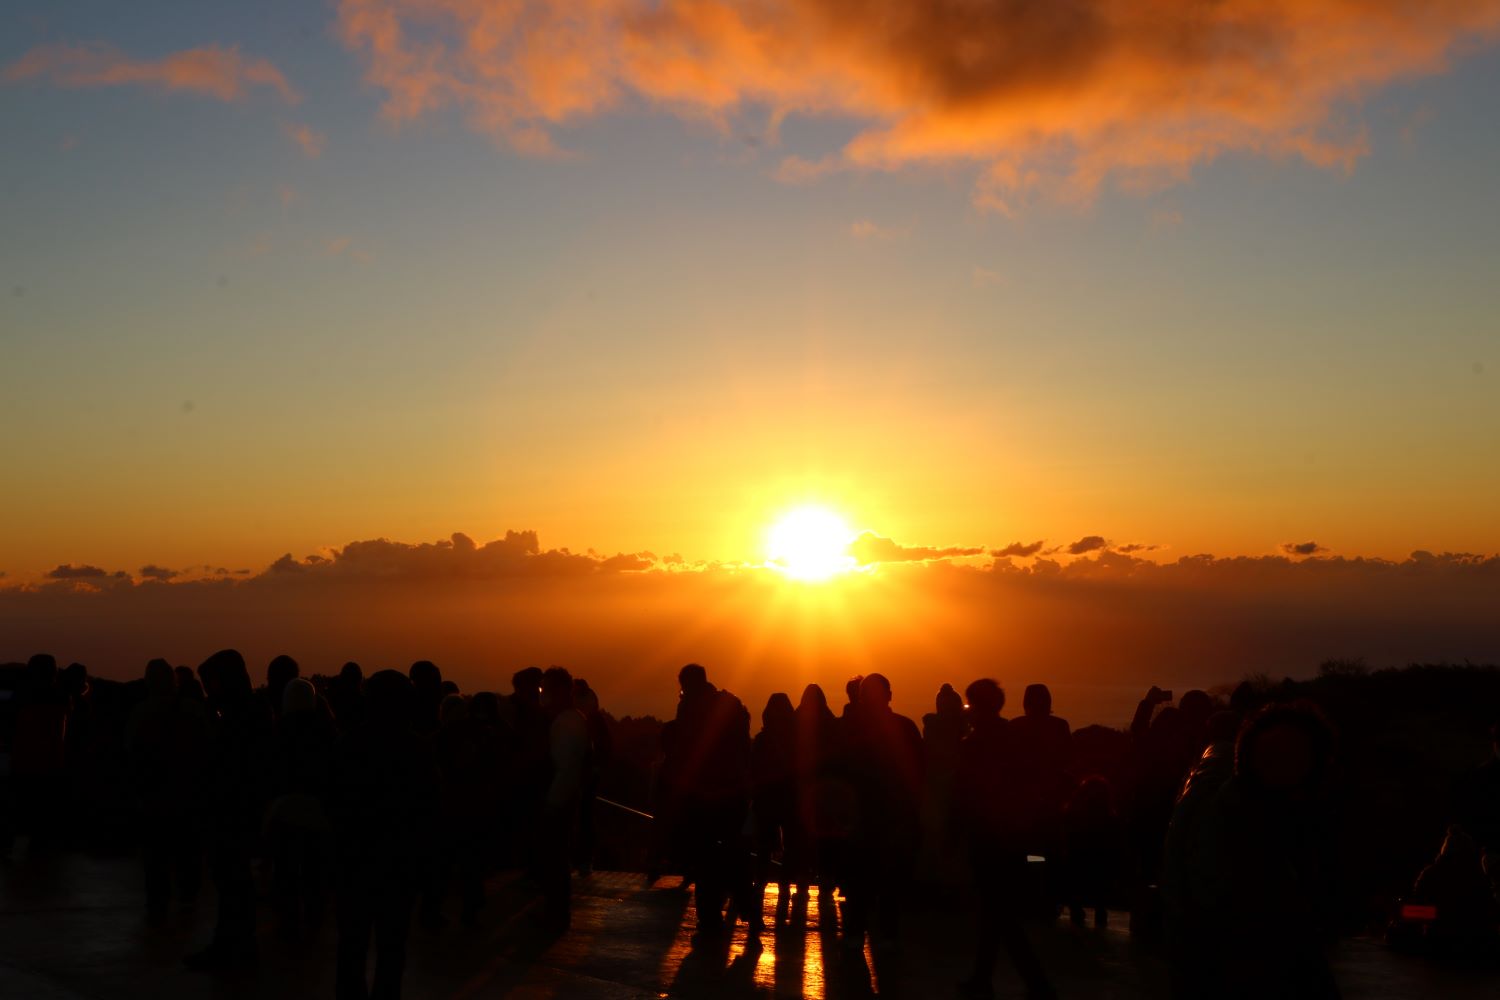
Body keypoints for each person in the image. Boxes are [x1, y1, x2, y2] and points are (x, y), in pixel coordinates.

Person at [1175, 701, 1340, 999]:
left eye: (1294, 755)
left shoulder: (1277, 820)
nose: (1283, 764)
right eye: (1276, 755)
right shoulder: (1241, 829)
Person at [331, 670, 437, 1000]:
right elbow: (430, 811)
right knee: (392, 951)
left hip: (355, 863)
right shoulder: (419, 749)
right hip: (399, 866)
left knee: (352, 947)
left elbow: (334, 803)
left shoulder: (349, 743)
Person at [956, 678, 1055, 999]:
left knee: (998, 912)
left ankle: (1035, 983)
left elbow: (966, 796)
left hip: (989, 840)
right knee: (995, 911)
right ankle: (984, 979)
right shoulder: (1015, 738)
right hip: (1013, 838)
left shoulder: (973, 745)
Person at [186, 649, 274, 971]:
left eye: (211, 682)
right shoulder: (247, 711)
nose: (208, 689)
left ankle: (232, 948)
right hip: (234, 810)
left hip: (234, 811)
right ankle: (236, 947)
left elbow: (229, 765)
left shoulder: (240, 717)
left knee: (232, 882)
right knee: (232, 883)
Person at [840, 672, 924, 951]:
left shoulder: (850, 729)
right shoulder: (905, 727)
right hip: (889, 814)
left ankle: (856, 933)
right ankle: (885, 934)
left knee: (860, 879)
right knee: (886, 879)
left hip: (867, 815)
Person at [667, 664, 751, 940]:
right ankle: (747, 905)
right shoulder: (731, 704)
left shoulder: (690, 708)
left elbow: (683, 750)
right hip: (732, 792)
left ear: (686, 684)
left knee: (704, 858)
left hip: (702, 793)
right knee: (732, 851)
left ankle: (709, 919)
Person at [126, 659, 211, 921]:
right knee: (187, 849)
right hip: (188, 790)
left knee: (155, 855)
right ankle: (188, 897)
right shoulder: (194, 710)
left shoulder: (140, 712)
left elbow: (131, 752)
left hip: (153, 792)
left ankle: (158, 905)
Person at [267, 677, 338, 942]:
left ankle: (288, 921)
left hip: (285, 810)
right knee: (313, 870)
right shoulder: (326, 732)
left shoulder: (279, 731)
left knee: (285, 868)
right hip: (317, 811)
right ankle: (314, 917)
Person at [538, 667, 589, 931]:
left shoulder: (567, 724)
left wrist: (552, 803)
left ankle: (555, 915)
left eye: (545, 690)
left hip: (559, 803)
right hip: (563, 800)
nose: (543, 696)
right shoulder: (572, 720)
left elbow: (565, 769)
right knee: (556, 859)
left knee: (555, 859)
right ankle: (555, 912)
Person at [752, 693, 798, 923]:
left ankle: (760, 882)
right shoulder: (796, 741)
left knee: (763, 846)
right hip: (789, 798)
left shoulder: (762, 739)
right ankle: (784, 884)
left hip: (766, 799)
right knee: (789, 845)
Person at [1062, 775, 1122, 927]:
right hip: (1098, 860)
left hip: (1078, 858)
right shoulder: (1108, 816)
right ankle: (1098, 913)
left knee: (1075, 883)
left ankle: (1077, 911)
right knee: (1099, 886)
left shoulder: (1074, 813)